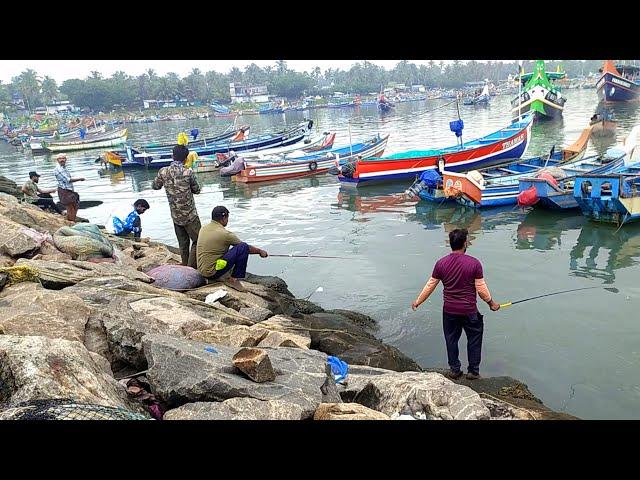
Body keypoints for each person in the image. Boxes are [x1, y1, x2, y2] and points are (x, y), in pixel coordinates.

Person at [411, 228, 500, 380]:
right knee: (474, 338)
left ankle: (454, 369)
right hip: (469, 310)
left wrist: (418, 301)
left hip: (449, 311)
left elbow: (430, 285)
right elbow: (481, 289)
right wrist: (491, 303)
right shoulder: (474, 263)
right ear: (465, 243)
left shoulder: (441, 263)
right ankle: (473, 371)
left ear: (451, 244)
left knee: (451, 339)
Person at [197, 206, 268, 292]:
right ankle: (233, 279)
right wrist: (260, 251)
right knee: (243, 247)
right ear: (223, 218)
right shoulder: (225, 234)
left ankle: (222, 275)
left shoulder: (203, 228)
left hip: (201, 270)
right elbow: (246, 248)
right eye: (227, 218)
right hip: (212, 273)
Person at [152, 144, 201, 267]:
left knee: (183, 244)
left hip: (176, 216)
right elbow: (197, 190)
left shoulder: (163, 172)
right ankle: (191, 267)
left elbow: (155, 186)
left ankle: (185, 266)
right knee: (198, 241)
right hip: (190, 216)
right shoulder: (188, 172)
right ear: (185, 159)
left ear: (172, 156)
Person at [53, 153, 85, 221]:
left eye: (63, 158)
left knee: (75, 205)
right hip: (64, 190)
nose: (62, 160)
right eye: (60, 158)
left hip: (68, 190)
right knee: (70, 208)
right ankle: (71, 222)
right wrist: (80, 179)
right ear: (57, 160)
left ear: (66, 159)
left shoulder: (64, 168)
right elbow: (68, 180)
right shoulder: (58, 169)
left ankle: (70, 220)